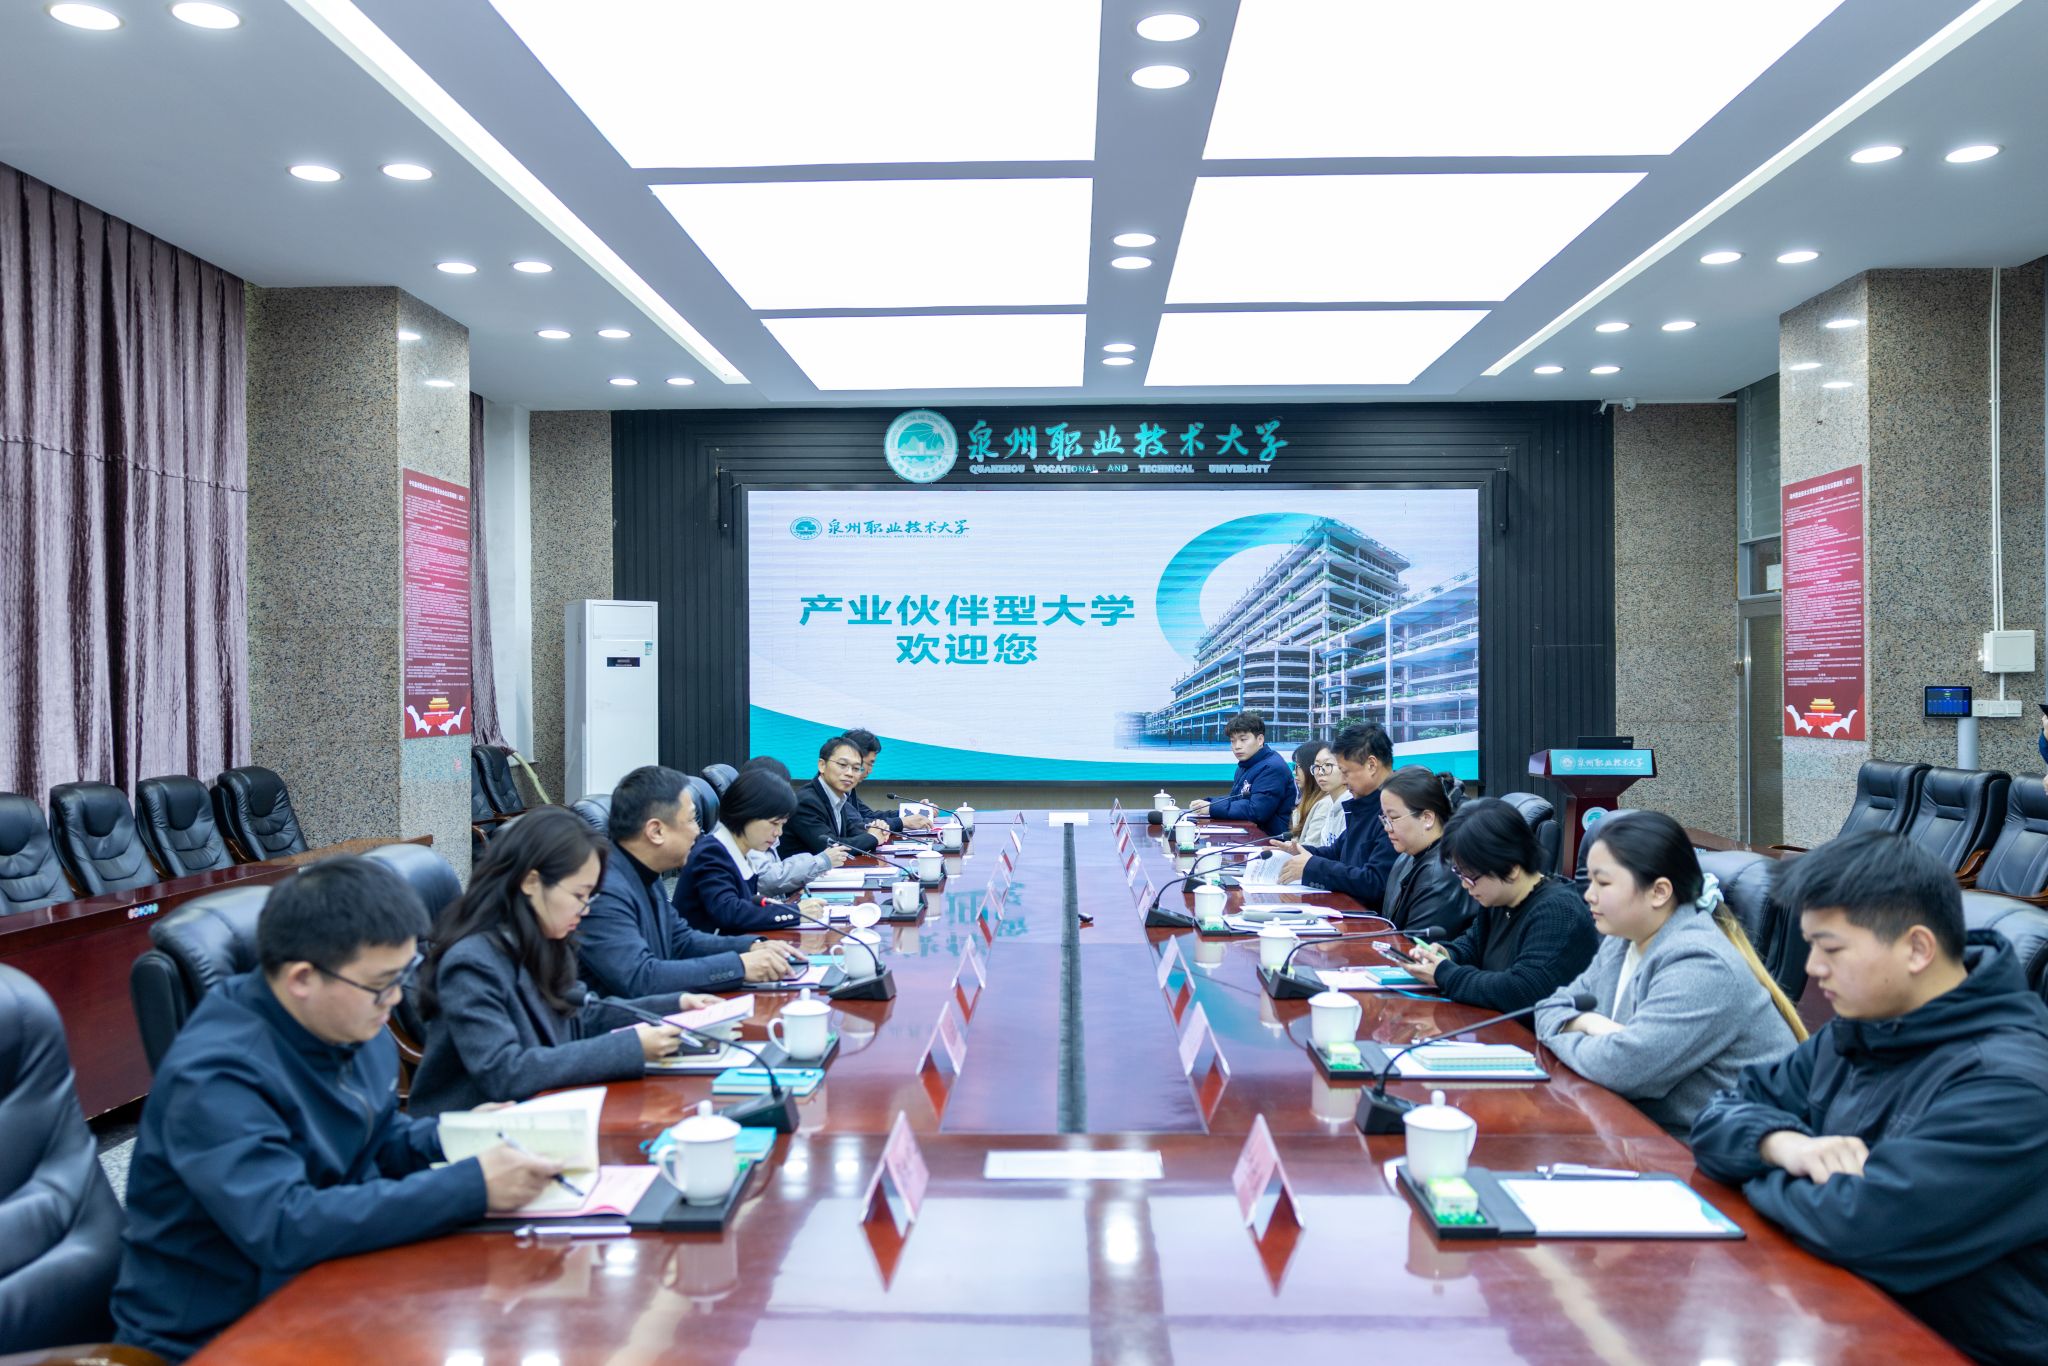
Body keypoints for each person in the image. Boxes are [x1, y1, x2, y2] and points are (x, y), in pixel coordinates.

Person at [111, 857, 562, 1361]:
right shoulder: (215, 1074)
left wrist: (455, 1135)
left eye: (403, 976)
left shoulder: (349, 1022)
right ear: (302, 978)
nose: (396, 1000)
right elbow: (283, 1226)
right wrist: (473, 1185)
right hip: (214, 1335)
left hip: (326, 1282)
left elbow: (376, 1139)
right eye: (381, 984)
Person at [1692, 832, 2048, 1364]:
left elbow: (1857, 1227)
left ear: (1918, 949)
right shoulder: (1863, 1028)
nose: (1813, 967)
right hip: (1835, 1316)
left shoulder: (2011, 1087)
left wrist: (1750, 1171)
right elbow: (1716, 1117)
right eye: (1811, 945)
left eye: (1831, 948)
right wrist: (1782, 1145)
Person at [408, 807, 725, 1117]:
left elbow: (583, 1014)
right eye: (579, 895)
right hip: (477, 1134)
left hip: (547, 1112)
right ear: (531, 882)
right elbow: (506, 1072)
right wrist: (632, 1047)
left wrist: (675, 1005)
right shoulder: (472, 962)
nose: (585, 910)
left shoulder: (546, 939)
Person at [1533, 811, 1804, 1135]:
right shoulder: (1623, 940)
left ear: (1659, 892)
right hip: (1646, 1132)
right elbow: (1548, 1008)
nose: (1589, 894)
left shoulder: (1701, 963)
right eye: (1590, 880)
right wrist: (1591, 1023)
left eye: (1603, 883)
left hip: (1725, 1150)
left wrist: (1572, 1028)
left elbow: (1622, 1069)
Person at [576, 766, 798, 997]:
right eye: (692, 820)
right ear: (656, 831)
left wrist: (751, 946)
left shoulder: (644, 873)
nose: (697, 831)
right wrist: (739, 966)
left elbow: (680, 939)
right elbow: (640, 978)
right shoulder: (603, 890)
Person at [1405, 796, 1599, 1010]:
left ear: (1511, 868)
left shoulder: (1558, 911)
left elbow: (1521, 990)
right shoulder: (1500, 900)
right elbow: (1473, 947)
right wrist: (1446, 954)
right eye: (1459, 873)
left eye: (1471, 877)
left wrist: (1445, 974)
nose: (1465, 885)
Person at [1272, 720, 1398, 908]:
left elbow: (1375, 881)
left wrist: (1312, 866)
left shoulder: (1395, 808)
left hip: (1366, 916)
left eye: (1346, 772)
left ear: (1372, 765)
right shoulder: (1364, 803)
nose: (1344, 781)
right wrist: (1299, 851)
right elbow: (1338, 851)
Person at [675, 769, 809, 934]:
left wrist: (784, 907)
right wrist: (795, 912)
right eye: (774, 823)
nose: (779, 833)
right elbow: (729, 911)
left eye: (782, 825)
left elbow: (746, 906)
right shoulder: (711, 853)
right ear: (746, 813)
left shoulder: (740, 851)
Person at [1375, 766, 1479, 940]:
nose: (1387, 828)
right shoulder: (1409, 855)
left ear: (1427, 818)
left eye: (1393, 818)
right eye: (1384, 818)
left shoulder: (1439, 874)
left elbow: (1413, 947)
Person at [739, 754, 850, 897]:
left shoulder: (764, 820)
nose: (778, 832)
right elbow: (766, 879)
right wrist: (820, 861)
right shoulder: (748, 828)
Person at [1188, 711, 1293, 837]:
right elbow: (1236, 799)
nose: (1237, 746)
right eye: (1233, 741)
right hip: (1250, 834)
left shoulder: (1272, 767)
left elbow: (1257, 811)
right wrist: (1209, 803)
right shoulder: (1247, 764)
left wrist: (1212, 808)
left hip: (1270, 839)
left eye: (1243, 740)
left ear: (1260, 740)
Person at [786, 734, 890, 855]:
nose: (849, 773)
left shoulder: (837, 797)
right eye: (842, 765)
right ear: (822, 765)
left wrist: (877, 830)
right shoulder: (807, 801)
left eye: (856, 768)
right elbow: (831, 846)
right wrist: (872, 838)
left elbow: (851, 831)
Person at [844, 727, 932, 832]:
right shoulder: (836, 790)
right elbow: (858, 825)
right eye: (870, 763)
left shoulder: (848, 788)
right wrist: (902, 822)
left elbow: (868, 815)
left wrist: (914, 813)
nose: (870, 771)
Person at [1288, 740, 1342, 846]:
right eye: (1317, 766)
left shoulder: (1327, 803)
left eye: (1298, 766)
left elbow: (1312, 848)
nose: (1294, 772)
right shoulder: (1310, 800)